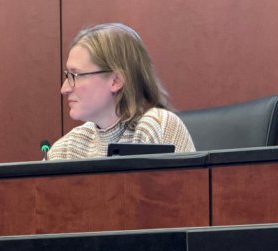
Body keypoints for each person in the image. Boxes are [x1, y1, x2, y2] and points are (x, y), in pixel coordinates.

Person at [48, 23, 195, 160]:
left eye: (76, 75)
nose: (64, 89)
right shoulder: (69, 147)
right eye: (67, 76)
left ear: (116, 81)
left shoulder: (157, 126)